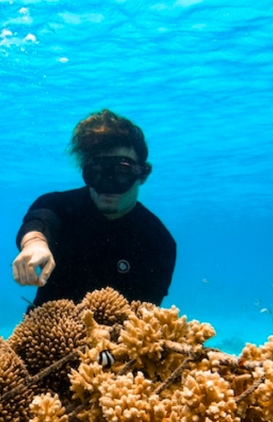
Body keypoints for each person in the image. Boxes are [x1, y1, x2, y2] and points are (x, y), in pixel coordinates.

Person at [12, 109, 176, 307]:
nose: (107, 184)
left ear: (142, 174)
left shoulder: (158, 242)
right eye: (97, 172)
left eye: (121, 173)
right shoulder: (60, 206)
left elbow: (147, 316)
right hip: (46, 327)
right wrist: (34, 243)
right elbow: (40, 219)